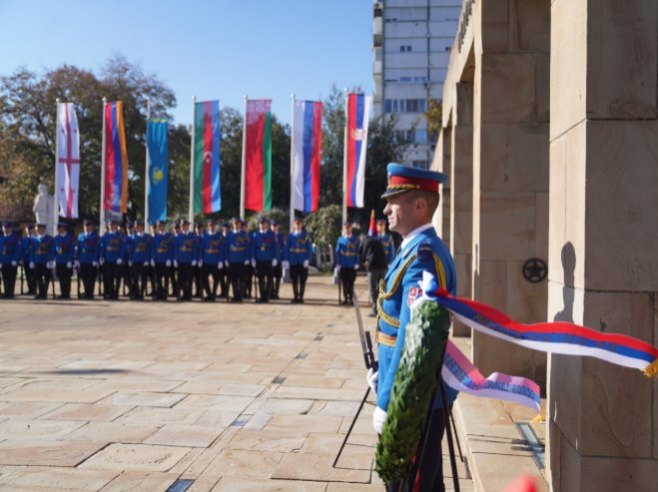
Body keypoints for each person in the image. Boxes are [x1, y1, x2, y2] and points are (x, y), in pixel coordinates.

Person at [371, 163, 457, 491]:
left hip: (412, 398)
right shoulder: (412, 249)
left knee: (408, 485)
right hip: (410, 388)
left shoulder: (422, 256)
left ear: (419, 206)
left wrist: (386, 400)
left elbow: (414, 339)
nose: (385, 209)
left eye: (394, 200)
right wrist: (382, 370)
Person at [358, 232, 388, 317]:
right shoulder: (377, 241)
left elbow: (361, 255)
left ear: (361, 238)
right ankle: (384, 309)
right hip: (383, 267)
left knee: (372, 289)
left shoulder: (364, 242)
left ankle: (375, 310)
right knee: (383, 289)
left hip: (373, 268)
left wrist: (363, 265)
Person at [284, 216, 312, 303]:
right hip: (293, 259)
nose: (298, 225)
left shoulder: (306, 235)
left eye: (299, 224)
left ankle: (301, 297)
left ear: (302, 224)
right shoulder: (290, 235)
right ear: (294, 225)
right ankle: (295, 296)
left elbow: (309, 248)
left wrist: (307, 259)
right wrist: (286, 260)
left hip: (303, 259)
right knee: (294, 279)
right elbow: (287, 248)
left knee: (303, 279)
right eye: (296, 224)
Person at [251, 216, 278, 303]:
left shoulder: (271, 235)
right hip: (259, 258)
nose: (262, 225)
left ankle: (267, 296)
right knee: (260, 279)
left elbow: (275, 247)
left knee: (270, 278)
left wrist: (275, 258)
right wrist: (253, 258)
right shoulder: (255, 235)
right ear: (259, 225)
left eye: (264, 223)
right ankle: (262, 296)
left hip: (268, 258)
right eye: (261, 223)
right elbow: (253, 248)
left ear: (266, 224)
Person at [335, 222, 360, 305]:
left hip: (352, 264)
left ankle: (351, 298)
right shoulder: (340, 239)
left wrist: (357, 262)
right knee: (344, 282)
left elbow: (357, 252)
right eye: (346, 228)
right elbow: (338, 252)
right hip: (343, 264)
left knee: (351, 282)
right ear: (343, 229)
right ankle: (345, 298)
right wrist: (338, 263)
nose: (347, 229)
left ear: (351, 229)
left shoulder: (355, 239)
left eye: (348, 228)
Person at [200, 219, 224, 301]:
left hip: (216, 261)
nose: (212, 227)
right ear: (208, 226)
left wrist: (221, 260)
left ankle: (213, 294)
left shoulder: (219, 236)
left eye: (213, 225)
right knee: (204, 278)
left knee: (216, 278)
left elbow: (221, 249)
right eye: (210, 225)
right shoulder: (204, 236)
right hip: (206, 260)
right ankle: (209, 294)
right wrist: (201, 259)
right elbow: (202, 249)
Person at [226, 218, 249, 303]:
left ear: (240, 224)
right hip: (232, 260)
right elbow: (226, 248)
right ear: (233, 224)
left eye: (238, 223)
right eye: (235, 223)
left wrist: (247, 258)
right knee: (234, 279)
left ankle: (240, 296)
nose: (236, 225)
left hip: (241, 259)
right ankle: (235, 295)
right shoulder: (229, 234)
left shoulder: (244, 234)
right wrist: (226, 259)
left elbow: (248, 247)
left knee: (242, 279)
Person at [128, 220, 152, 300]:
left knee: (143, 278)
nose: (136, 228)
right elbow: (131, 249)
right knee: (135, 278)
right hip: (135, 260)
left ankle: (141, 293)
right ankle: (136, 293)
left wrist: (147, 260)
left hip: (143, 260)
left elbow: (149, 250)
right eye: (136, 226)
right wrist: (130, 259)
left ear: (142, 227)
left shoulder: (147, 237)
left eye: (138, 226)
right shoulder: (133, 237)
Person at [99, 219, 124, 300]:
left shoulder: (120, 235)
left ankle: (116, 293)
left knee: (118, 277)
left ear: (116, 226)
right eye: (110, 225)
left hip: (117, 259)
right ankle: (110, 292)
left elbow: (122, 247)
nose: (111, 227)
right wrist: (102, 257)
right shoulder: (105, 236)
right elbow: (103, 247)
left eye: (113, 225)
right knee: (109, 277)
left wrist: (120, 257)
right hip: (108, 259)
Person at [76, 219, 100, 300]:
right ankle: (86, 292)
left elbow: (97, 248)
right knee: (84, 277)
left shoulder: (95, 236)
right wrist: (77, 259)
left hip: (91, 258)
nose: (86, 228)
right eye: (85, 226)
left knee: (91, 277)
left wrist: (95, 259)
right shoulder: (80, 236)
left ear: (92, 227)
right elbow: (79, 248)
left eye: (88, 226)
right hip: (83, 259)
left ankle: (90, 293)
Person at [30, 223, 54, 299]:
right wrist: (32, 260)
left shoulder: (50, 239)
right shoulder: (34, 239)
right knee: (38, 278)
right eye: (37, 229)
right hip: (37, 261)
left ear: (44, 229)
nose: (39, 230)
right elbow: (33, 251)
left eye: (40, 229)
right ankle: (40, 293)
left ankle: (44, 293)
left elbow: (51, 250)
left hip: (45, 261)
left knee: (46, 278)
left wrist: (50, 260)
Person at [174, 219, 197, 301]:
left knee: (189, 279)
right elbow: (176, 249)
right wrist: (175, 259)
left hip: (189, 260)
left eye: (186, 225)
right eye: (183, 225)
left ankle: (189, 295)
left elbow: (195, 249)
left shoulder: (192, 236)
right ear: (181, 226)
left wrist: (194, 259)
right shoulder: (178, 236)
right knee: (180, 279)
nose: (184, 227)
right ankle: (181, 294)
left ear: (188, 226)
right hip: (181, 260)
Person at [152, 220, 174, 300]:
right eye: (159, 226)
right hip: (158, 259)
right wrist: (153, 258)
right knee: (158, 278)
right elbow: (153, 248)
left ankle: (165, 293)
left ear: (164, 226)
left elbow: (171, 249)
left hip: (165, 260)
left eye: (161, 226)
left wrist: (169, 259)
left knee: (166, 278)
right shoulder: (156, 236)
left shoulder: (169, 236)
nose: (160, 227)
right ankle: (159, 293)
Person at [0, 221, 22, 298]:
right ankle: (6, 292)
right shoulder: (1, 238)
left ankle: (11, 293)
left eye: (7, 228)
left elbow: (18, 249)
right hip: (3, 261)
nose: (5, 229)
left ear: (11, 228)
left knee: (11, 278)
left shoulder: (15, 237)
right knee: (5, 277)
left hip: (11, 261)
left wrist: (15, 259)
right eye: (4, 228)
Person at [54, 222, 75, 299]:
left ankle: (67, 293)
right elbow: (54, 249)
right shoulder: (56, 238)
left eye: (60, 228)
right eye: (58, 228)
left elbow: (71, 250)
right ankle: (63, 293)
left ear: (64, 228)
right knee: (61, 277)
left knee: (67, 278)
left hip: (66, 260)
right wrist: (53, 259)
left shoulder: (70, 237)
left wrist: (69, 260)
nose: (59, 229)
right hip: (59, 260)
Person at [270, 219, 285, 299]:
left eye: (275, 226)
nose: (274, 227)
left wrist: (283, 259)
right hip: (270, 258)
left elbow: (283, 247)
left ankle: (276, 292)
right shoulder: (269, 235)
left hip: (278, 258)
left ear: (277, 227)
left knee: (278, 276)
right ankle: (271, 292)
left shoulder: (280, 235)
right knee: (270, 276)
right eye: (273, 226)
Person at [22, 224, 36, 296]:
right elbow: (22, 250)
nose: (29, 231)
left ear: (33, 230)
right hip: (26, 259)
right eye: (28, 229)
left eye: (30, 229)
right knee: (28, 275)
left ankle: (34, 289)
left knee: (34, 275)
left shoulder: (36, 239)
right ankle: (30, 289)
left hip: (33, 260)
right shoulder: (24, 239)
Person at [218, 222, 231, 298]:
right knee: (221, 277)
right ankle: (223, 291)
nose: (225, 229)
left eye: (226, 228)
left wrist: (227, 259)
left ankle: (227, 292)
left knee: (228, 278)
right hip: (221, 260)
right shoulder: (220, 237)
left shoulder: (230, 237)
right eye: (224, 228)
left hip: (228, 260)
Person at [193, 222, 205, 298]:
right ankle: (197, 291)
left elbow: (203, 249)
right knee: (196, 277)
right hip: (195, 260)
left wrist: (201, 259)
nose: (198, 230)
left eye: (199, 228)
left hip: (203, 260)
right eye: (197, 228)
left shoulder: (205, 237)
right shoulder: (194, 237)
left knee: (202, 278)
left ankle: (201, 292)